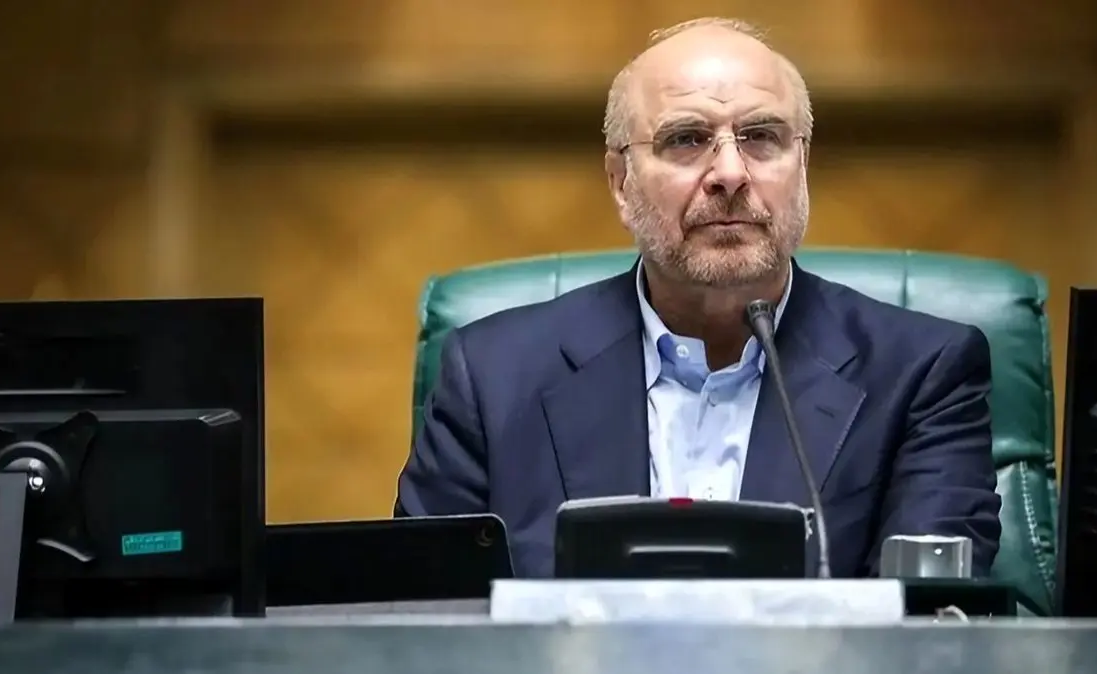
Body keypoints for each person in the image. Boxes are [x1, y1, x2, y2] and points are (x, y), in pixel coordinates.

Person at [395, 17, 1001, 578]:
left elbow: (927, 623)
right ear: (620, 182)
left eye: (761, 137)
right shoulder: (493, 377)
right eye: (686, 139)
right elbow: (422, 614)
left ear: (802, 165)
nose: (731, 173)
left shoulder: (922, 375)